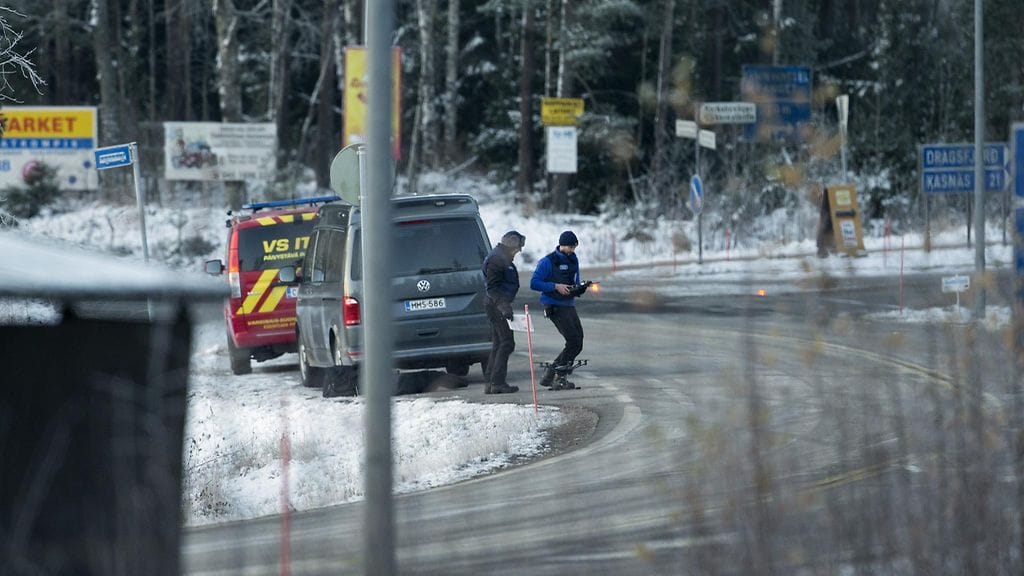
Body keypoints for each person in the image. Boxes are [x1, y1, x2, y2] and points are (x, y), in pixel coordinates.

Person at [530, 230, 589, 390]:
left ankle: (553, 373)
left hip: (568, 304)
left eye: (574, 247)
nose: (572, 250)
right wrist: (555, 286)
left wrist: (580, 288)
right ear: (561, 245)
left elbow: (574, 281)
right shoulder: (548, 261)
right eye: (570, 247)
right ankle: (558, 377)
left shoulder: (573, 259)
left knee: (578, 341)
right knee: (573, 341)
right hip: (554, 305)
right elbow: (534, 283)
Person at [482, 230, 526, 394]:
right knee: (507, 343)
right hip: (496, 305)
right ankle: (497, 382)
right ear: (511, 244)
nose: (519, 251)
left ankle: (490, 382)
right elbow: (492, 288)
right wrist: (503, 306)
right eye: (517, 248)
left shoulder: (500, 257)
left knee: (498, 343)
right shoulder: (496, 259)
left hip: (497, 304)